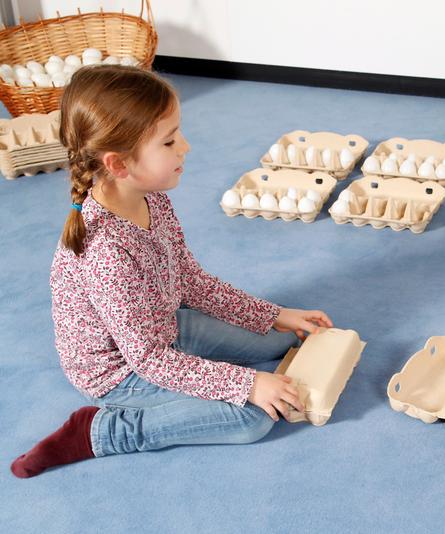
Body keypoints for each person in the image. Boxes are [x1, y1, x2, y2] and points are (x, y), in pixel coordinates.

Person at [11, 65, 332, 478]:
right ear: (120, 164)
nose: (186, 146)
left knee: (278, 341)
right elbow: (148, 360)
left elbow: (190, 281)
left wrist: (275, 314)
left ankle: (246, 351)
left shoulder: (150, 195)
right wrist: (246, 385)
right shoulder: (105, 252)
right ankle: (102, 431)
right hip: (122, 370)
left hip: (162, 327)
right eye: (169, 140)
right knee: (253, 418)